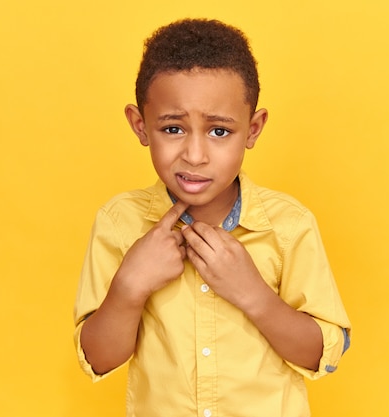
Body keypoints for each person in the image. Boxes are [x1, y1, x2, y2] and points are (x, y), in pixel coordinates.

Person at [73, 18, 351, 417]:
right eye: (173, 128)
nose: (195, 155)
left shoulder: (289, 226)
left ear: (252, 130)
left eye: (219, 132)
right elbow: (99, 360)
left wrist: (252, 293)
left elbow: (322, 356)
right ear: (140, 125)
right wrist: (129, 288)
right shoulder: (120, 222)